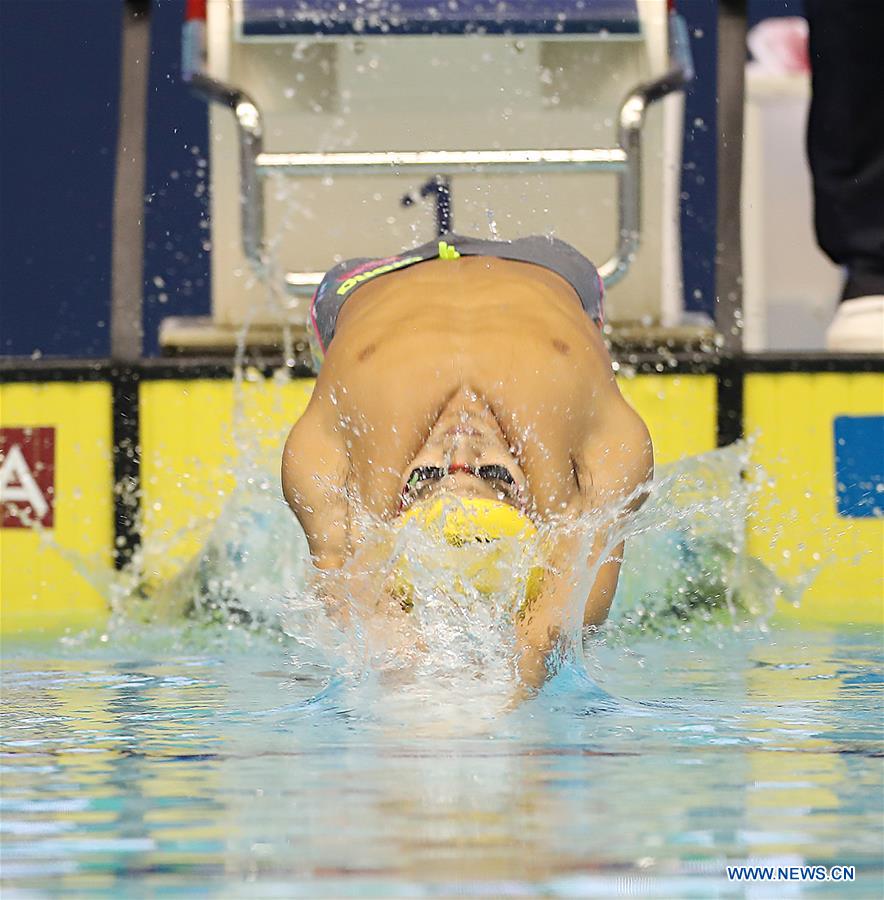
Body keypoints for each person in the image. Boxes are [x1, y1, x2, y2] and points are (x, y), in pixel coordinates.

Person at [282, 235, 653, 685]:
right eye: (492, 475)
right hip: (553, 274)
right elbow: (553, 634)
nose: (462, 450)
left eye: (430, 476)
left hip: (362, 287)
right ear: (524, 497)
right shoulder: (602, 454)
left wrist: (417, 695)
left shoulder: (327, 464)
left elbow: (356, 604)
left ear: (403, 498)